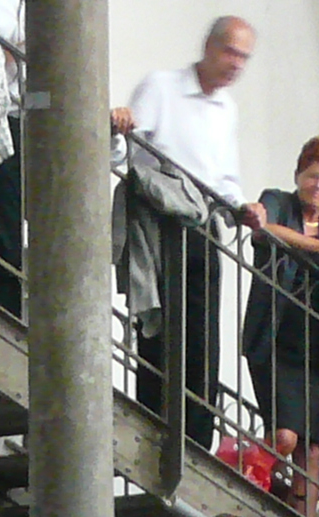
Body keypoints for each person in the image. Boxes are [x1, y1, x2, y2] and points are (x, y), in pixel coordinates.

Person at [112, 18, 262, 448]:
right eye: (231, 52)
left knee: (204, 334)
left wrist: (242, 207)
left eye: (244, 57)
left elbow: (225, 178)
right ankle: (154, 426)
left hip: (203, 224)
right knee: (160, 328)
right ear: (210, 47)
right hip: (160, 220)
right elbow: (127, 151)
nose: (237, 64)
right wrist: (116, 127)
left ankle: (197, 437)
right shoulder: (161, 86)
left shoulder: (227, 108)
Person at [240, 135, 319, 505]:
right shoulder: (277, 201)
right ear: (298, 175)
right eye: (313, 176)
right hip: (275, 335)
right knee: (285, 436)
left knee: (310, 449)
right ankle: (239, 467)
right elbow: (266, 229)